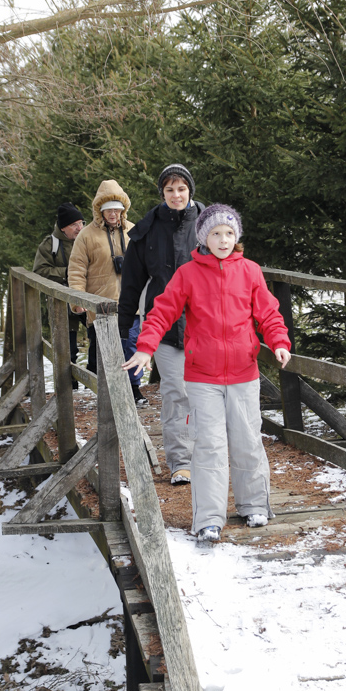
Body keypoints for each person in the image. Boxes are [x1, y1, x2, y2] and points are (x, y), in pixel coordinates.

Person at [123, 203, 291, 542]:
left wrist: (279, 341)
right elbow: (161, 312)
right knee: (209, 446)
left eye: (229, 233)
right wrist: (145, 347)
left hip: (244, 373)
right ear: (203, 237)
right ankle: (208, 519)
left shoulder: (250, 271)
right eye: (216, 233)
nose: (223, 240)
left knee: (247, 441)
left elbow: (269, 313)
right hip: (202, 376)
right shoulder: (188, 274)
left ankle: (254, 505)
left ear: (236, 237)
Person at [118, 163, 205, 485]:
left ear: (190, 190)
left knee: (207, 393)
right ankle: (181, 462)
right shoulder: (147, 229)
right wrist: (123, 326)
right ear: (162, 193)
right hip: (164, 326)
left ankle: (207, 456)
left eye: (181, 189)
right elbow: (131, 282)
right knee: (176, 392)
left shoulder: (209, 223)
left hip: (205, 326)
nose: (176, 195)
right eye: (170, 189)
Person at [67, 179, 144, 402]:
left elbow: (147, 264)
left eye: (117, 209)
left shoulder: (134, 231)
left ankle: (134, 389)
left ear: (123, 209)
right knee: (105, 351)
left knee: (131, 346)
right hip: (99, 304)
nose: (113, 214)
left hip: (131, 303)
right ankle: (109, 394)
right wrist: (77, 300)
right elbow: (76, 270)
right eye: (108, 209)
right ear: (100, 210)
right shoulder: (86, 235)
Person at [32, 202, 86, 379]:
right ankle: (70, 388)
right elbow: (39, 272)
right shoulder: (49, 245)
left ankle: (94, 380)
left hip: (87, 299)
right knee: (67, 350)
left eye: (81, 223)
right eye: (74, 224)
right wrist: (68, 273)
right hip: (61, 303)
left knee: (99, 340)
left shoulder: (88, 240)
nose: (79, 228)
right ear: (63, 227)